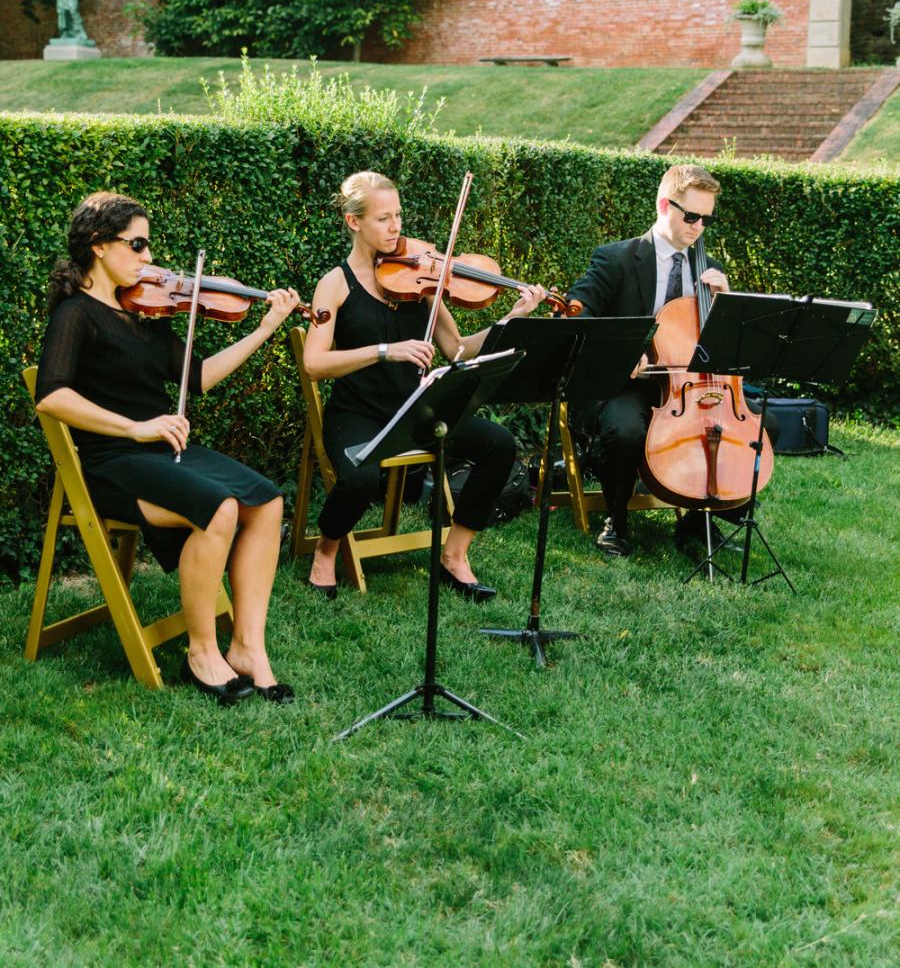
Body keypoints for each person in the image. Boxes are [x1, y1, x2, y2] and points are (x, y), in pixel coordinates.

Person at [35, 192, 301, 704]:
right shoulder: (75, 314)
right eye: (137, 245)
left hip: (162, 451)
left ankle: (247, 646)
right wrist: (135, 428)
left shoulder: (147, 316)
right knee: (219, 509)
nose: (149, 258)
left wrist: (265, 330)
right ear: (98, 245)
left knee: (267, 501)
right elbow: (52, 396)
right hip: (111, 462)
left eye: (148, 246)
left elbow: (197, 378)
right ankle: (202, 655)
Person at [302, 170, 547, 603]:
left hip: (418, 410)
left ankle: (454, 554)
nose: (396, 227)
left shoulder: (421, 278)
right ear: (354, 222)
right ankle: (326, 550)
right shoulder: (335, 284)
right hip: (359, 414)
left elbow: (456, 349)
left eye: (398, 215)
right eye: (383, 219)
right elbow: (314, 363)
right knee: (359, 481)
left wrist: (509, 319)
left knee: (499, 445)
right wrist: (385, 350)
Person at [567, 163, 734, 557]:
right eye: (691, 215)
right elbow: (577, 315)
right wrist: (623, 348)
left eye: (706, 219)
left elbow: (725, 345)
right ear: (664, 205)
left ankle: (698, 517)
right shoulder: (616, 258)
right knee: (624, 430)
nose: (698, 227)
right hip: (629, 383)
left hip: (690, 386)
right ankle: (616, 520)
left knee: (764, 430)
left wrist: (727, 304)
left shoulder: (708, 269)